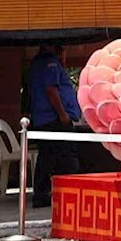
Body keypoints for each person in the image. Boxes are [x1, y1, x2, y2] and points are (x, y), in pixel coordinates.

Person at [27, 44, 81, 207]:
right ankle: (67, 193)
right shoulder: (48, 62)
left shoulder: (38, 63)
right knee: (66, 157)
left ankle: (45, 193)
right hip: (54, 119)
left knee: (48, 157)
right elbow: (51, 90)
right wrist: (63, 114)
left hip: (45, 119)